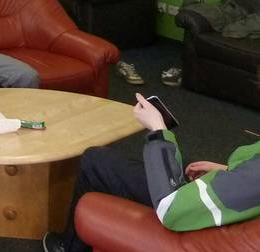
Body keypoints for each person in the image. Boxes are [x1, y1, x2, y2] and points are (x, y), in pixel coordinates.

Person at [42, 93, 260, 252]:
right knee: (184, 165)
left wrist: (158, 130)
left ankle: (67, 247)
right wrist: (229, 170)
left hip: (190, 214)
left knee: (95, 160)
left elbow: (171, 208)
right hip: (236, 202)